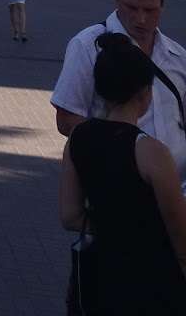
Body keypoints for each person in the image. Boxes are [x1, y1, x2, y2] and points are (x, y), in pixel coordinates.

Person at [58, 32, 186, 313]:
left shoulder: (78, 138)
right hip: (151, 279)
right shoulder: (151, 151)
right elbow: (179, 232)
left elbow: (69, 216)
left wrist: (112, 226)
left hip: (98, 275)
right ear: (145, 93)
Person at [53, 0, 186, 185]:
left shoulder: (178, 56)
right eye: (132, 8)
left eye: (150, 10)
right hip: (120, 189)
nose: (140, 19)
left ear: (162, 6)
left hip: (178, 189)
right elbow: (66, 120)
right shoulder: (87, 46)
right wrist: (121, 154)